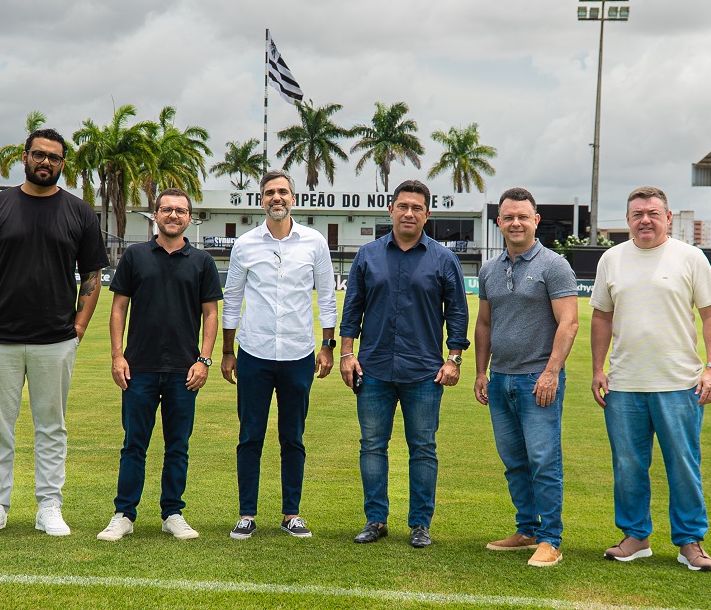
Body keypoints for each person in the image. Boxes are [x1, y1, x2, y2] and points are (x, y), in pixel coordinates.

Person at [0, 128, 109, 537]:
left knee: (52, 427)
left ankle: (49, 507)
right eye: (39, 154)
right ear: (25, 157)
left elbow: (92, 274)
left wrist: (78, 328)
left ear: (63, 164)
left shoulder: (79, 212)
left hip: (56, 339)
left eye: (54, 157)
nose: (46, 162)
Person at [590, 186, 711, 572]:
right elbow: (601, 317)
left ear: (668, 218)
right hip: (624, 385)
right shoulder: (612, 259)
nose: (645, 220)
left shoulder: (690, 257)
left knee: (683, 465)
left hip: (679, 384)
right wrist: (598, 369)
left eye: (653, 213)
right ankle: (636, 537)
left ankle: (689, 542)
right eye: (637, 214)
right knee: (628, 466)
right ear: (627, 220)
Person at [339, 179, 470, 549]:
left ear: (427, 214)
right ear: (391, 210)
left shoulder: (443, 259)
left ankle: (420, 524)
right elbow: (352, 309)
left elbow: (457, 312)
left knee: (423, 448)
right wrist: (347, 353)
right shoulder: (368, 254)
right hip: (373, 369)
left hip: (424, 372)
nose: (409, 213)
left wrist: (454, 359)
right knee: (372, 446)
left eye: (416, 208)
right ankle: (375, 519)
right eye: (403, 206)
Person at [96, 189, 223, 542]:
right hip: (139, 368)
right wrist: (117, 355)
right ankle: (124, 514)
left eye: (181, 210)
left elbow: (211, 313)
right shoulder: (135, 256)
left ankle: (172, 514)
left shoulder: (202, 261)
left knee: (177, 446)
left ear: (189, 218)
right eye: (167, 209)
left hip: (185, 370)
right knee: (134, 445)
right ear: (155, 215)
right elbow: (119, 308)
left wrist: (204, 360)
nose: (173, 215)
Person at [220, 169, 337, 540]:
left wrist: (328, 345)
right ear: (261, 200)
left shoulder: (314, 242)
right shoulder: (245, 245)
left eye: (283, 192)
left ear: (293, 198)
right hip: (253, 353)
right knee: (250, 436)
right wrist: (227, 350)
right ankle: (246, 514)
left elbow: (327, 296)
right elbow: (232, 299)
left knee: (293, 437)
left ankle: (291, 514)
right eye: (270, 192)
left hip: (298, 354)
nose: (277, 197)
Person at [473, 188, 578, 567]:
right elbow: (484, 324)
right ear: (499, 222)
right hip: (500, 379)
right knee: (514, 461)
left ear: (536, 221)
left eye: (523, 216)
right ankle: (527, 530)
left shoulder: (554, 265)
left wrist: (551, 372)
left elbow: (569, 323)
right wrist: (481, 372)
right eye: (508, 217)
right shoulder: (489, 269)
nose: (515, 223)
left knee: (543, 460)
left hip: (538, 380)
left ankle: (551, 539)